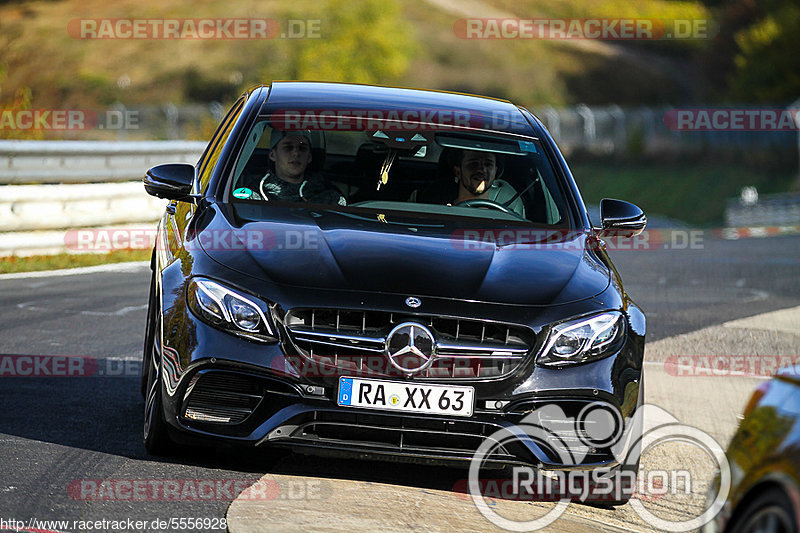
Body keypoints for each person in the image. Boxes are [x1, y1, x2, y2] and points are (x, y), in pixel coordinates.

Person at [233, 130, 345, 205]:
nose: (296, 153)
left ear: (309, 157)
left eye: (302, 148)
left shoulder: (330, 197)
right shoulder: (254, 195)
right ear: (273, 155)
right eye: (288, 147)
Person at [412, 149, 525, 217]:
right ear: (458, 172)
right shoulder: (432, 204)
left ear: (495, 171)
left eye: (488, 164)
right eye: (473, 164)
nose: (482, 170)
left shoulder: (511, 205)